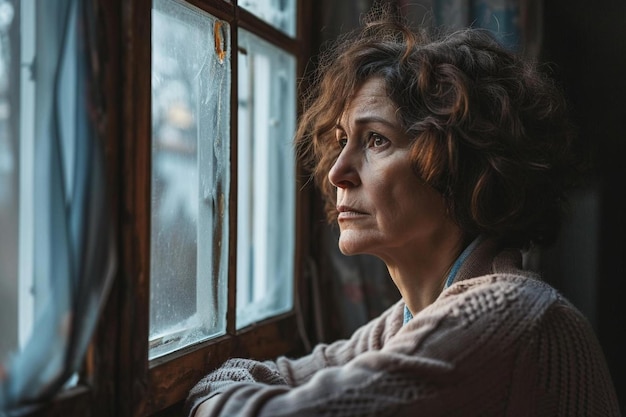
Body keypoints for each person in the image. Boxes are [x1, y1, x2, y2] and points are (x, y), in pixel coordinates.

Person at [185, 7, 621, 417]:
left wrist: (214, 400)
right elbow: (247, 379)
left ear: (458, 165)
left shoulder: (509, 314)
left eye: (376, 140)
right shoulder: (406, 323)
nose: (338, 172)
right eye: (341, 142)